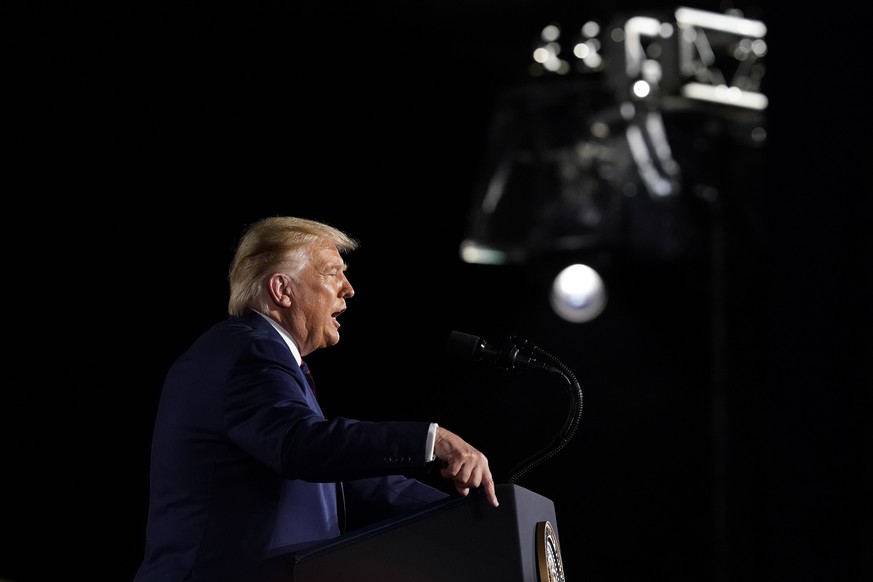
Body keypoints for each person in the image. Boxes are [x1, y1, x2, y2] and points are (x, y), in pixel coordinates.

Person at [133, 216, 499, 582]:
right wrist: (433, 440)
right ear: (282, 289)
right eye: (331, 273)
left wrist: (472, 515)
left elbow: (345, 482)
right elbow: (303, 445)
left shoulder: (265, 359)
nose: (349, 289)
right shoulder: (248, 350)